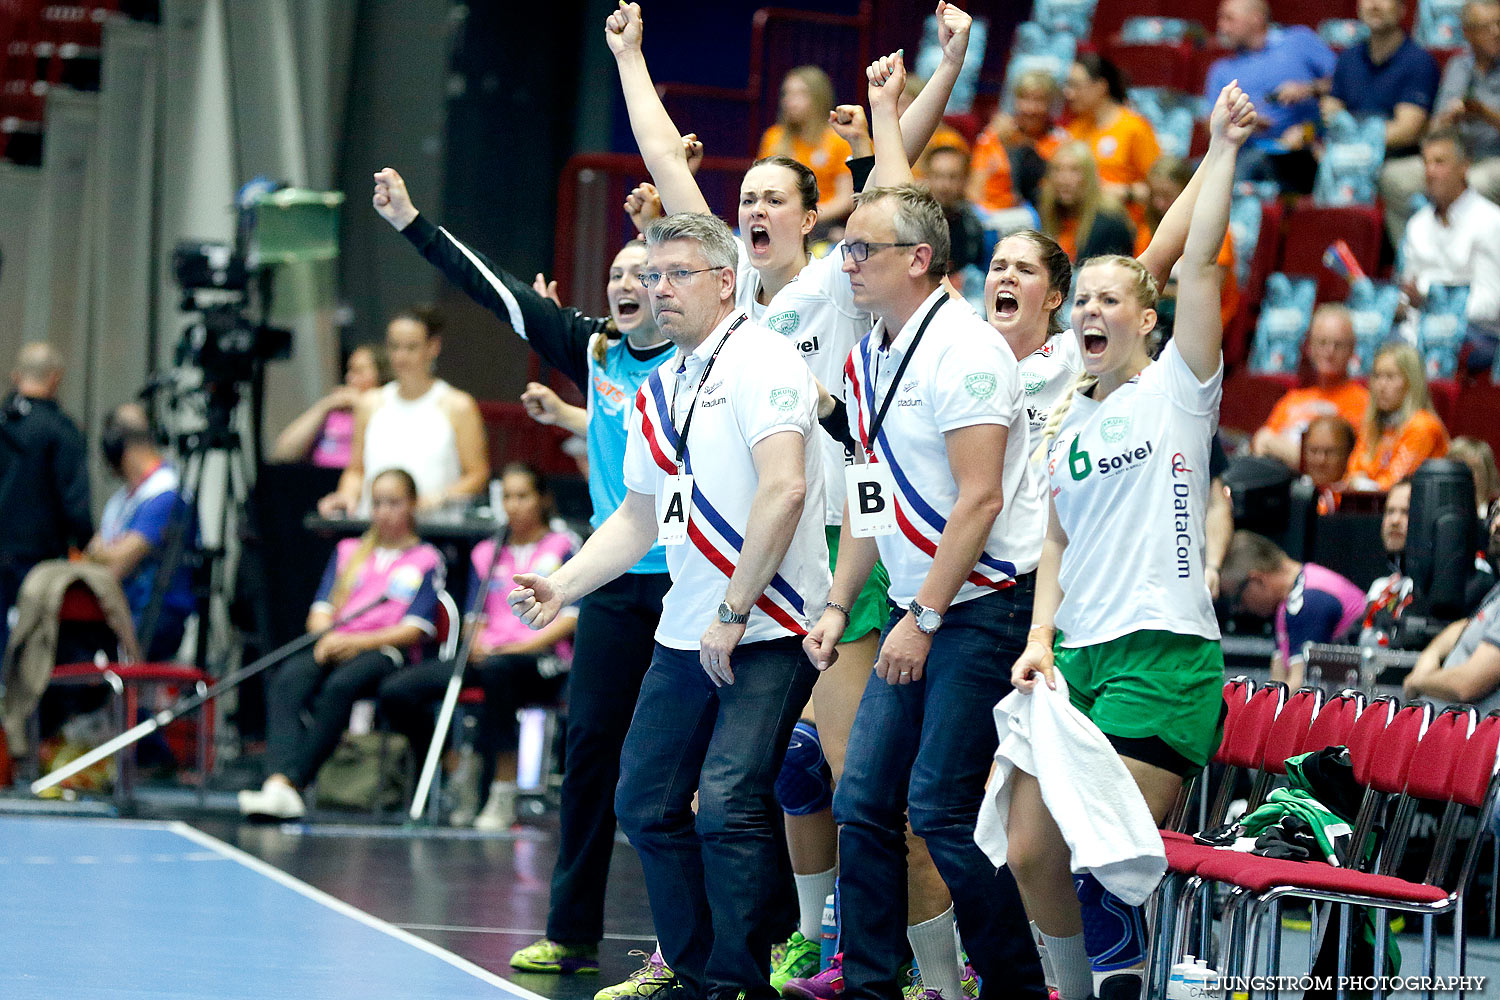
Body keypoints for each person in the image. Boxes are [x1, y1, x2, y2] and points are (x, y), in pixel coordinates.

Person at [608, 7, 977, 992]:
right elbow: (660, 155)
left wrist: (927, 82)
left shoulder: (835, 285)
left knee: (861, 785)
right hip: (751, 572)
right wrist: (633, 57)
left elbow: (898, 191)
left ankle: (935, 968)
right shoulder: (728, 303)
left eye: (776, 194)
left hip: (839, 552)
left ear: (813, 219)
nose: (754, 205)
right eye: (746, 195)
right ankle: (790, 942)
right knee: (774, 784)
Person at [507, 210, 830, 1000]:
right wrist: (564, 584)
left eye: (675, 274)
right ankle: (693, 973)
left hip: (771, 624)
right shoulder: (660, 388)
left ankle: (738, 981)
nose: (656, 289)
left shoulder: (766, 364)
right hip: (687, 630)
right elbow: (636, 517)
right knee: (644, 801)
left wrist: (733, 609)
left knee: (724, 802)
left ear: (726, 283)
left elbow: (786, 487)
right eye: (650, 276)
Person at [372, 167, 674, 978]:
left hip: (696, 583)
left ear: (673, 288)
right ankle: (573, 933)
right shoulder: (594, 349)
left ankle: (705, 949)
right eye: (614, 276)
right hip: (613, 583)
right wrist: (412, 224)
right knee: (590, 757)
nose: (625, 284)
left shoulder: (703, 355)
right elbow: (494, 290)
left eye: (644, 273)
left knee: (685, 775)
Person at [799, 50, 1047, 1000]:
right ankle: (870, 983)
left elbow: (978, 500)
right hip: (913, 603)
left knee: (941, 812)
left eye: (861, 250)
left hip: (978, 610)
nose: (845, 261)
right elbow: (871, 487)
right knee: (862, 800)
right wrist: (838, 600)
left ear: (916, 261)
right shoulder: (870, 356)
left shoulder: (970, 352)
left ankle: (1016, 986)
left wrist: (924, 616)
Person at [1005, 82, 1257, 1000]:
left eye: (1114, 299)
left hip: (1165, 657)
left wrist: (1221, 149)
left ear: (1146, 319)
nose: (1092, 312)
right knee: (1031, 851)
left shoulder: (1179, 394)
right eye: (1085, 303)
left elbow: (1199, 266)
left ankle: (1120, 979)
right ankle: (1077, 990)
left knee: (1102, 865)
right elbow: (1059, 548)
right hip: (1076, 657)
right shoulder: (1066, 423)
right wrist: (1040, 637)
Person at [379, 463, 578, 831]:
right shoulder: (487, 551)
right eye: (507, 497)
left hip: (543, 659)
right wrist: (476, 642)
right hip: (491, 656)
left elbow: (572, 616)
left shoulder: (564, 545)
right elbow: (474, 615)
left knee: (498, 673)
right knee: (398, 690)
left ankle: (503, 787)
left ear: (543, 500)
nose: (513, 505)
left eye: (523, 496)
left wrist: (519, 648)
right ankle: (457, 766)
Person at [239, 468, 444, 820]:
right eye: (377, 503)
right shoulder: (349, 550)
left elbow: (416, 628)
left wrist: (359, 641)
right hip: (337, 644)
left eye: (393, 503)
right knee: (288, 679)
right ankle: (276, 782)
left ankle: (293, 783)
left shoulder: (426, 558)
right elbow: (320, 610)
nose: (383, 512)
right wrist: (329, 636)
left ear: (412, 505)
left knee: (341, 686)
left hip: (384, 651)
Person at [318, 307, 489, 516]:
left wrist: (436, 499)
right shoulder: (370, 403)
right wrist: (345, 496)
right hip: (376, 525)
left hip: (433, 527)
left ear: (433, 347)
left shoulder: (457, 405)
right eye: (394, 347)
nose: (401, 356)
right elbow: (356, 470)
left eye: (411, 347)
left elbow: (477, 475)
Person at [1322, 0, 1440, 242]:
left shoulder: (1418, 61)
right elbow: (1330, 115)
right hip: (1347, 155)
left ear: (1402, 10)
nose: (1374, 5)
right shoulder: (1348, 59)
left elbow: (1407, 130)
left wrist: (1351, 137)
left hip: (1394, 156)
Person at [87, 403, 196, 661]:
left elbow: (119, 562)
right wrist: (106, 553)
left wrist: (104, 552)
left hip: (153, 615)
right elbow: (94, 555)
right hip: (115, 612)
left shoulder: (168, 493)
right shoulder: (121, 501)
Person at [0, 343, 91, 653]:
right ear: (55, 378)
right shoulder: (61, 430)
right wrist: (86, 543)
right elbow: (74, 500)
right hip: (41, 559)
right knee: (37, 644)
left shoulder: (3, 424)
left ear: (15, 377)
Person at [1387, 0, 1500, 235]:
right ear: (1467, 33)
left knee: (1476, 184)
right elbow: (1435, 127)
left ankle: (1468, 261)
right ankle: (1418, 257)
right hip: (1455, 156)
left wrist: (1484, 113)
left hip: (1492, 159)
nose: (1496, 32)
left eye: (1499, 24)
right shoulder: (1458, 66)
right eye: (1486, 27)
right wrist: (1446, 120)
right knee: (1394, 178)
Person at [1397, 129, 1500, 370]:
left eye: (1439, 162)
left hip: (1474, 333)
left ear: (1464, 167)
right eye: (1426, 163)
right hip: (1418, 328)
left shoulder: (1491, 221)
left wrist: (1431, 301)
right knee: (1372, 338)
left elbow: (1493, 302)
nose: (1430, 172)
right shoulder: (1417, 224)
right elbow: (1408, 287)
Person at [1206, 0, 1335, 188]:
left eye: (1229, 18)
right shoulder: (1221, 70)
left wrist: (1310, 89)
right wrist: (1240, 121)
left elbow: (1345, 84)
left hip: (1306, 145)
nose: (1221, 26)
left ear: (1256, 19)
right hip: (1249, 150)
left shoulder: (1299, 41)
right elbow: (1208, 125)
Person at [1221, 530, 1367, 690]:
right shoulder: (1287, 604)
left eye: (1237, 598)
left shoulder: (1309, 599)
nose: (1239, 608)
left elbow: (1299, 689)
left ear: (1257, 580)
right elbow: (1277, 682)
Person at [1250, 304, 1370, 469]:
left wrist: (1279, 448)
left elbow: (1335, 464)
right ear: (1310, 347)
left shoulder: (1363, 402)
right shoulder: (1293, 398)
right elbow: (1260, 442)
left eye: (1338, 344)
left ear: (1352, 350)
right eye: (1322, 342)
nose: (1329, 351)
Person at [1142, 156, 1240, 333]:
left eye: (1167, 196)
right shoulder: (1147, 229)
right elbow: (1140, 285)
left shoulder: (1215, 231)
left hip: (1201, 326)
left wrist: (1162, 292)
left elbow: (1207, 295)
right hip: (1156, 319)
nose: (1159, 204)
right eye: (1154, 195)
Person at [1061, 54, 1162, 221]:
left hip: (1124, 224)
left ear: (1101, 87)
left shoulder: (1134, 127)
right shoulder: (1075, 129)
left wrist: (1122, 192)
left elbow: (1158, 190)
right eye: (1068, 85)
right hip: (1080, 223)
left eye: (1075, 85)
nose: (1068, 93)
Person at [1345, 341, 1450, 491]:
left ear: (1411, 382)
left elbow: (1394, 485)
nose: (1381, 385)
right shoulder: (1372, 425)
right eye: (1377, 376)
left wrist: (1361, 483)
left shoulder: (1422, 426)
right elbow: (1352, 475)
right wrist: (1359, 482)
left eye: (1390, 377)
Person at [759, 66, 856, 227]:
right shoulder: (773, 137)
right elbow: (760, 187)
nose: (790, 101)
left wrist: (804, 216)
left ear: (819, 98)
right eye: (787, 93)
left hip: (823, 222)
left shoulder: (839, 140)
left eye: (800, 94)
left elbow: (845, 200)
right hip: (777, 219)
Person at [271, 344, 388, 467]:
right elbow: (283, 453)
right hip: (317, 478)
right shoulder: (332, 410)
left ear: (381, 374)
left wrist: (361, 404)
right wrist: (324, 406)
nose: (349, 377)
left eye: (358, 371)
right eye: (349, 370)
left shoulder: (385, 409)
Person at [969, 70, 1063, 214]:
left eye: (1039, 100)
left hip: (1040, 217)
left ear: (1050, 104)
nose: (1030, 109)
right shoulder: (994, 137)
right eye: (1024, 99)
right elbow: (974, 192)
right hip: (992, 217)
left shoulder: (1060, 142)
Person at [1038, 141, 1140, 262]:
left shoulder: (1110, 223)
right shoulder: (1046, 215)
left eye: (1074, 170)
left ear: (1089, 177)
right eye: (1058, 170)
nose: (1064, 179)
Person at [922, 145, 987, 275]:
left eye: (953, 177)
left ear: (965, 179)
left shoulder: (973, 225)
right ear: (926, 177)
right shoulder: (913, 223)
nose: (944, 186)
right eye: (938, 176)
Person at [1299, 414, 1358, 513]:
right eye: (1313, 451)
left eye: (1330, 452)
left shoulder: (1361, 497)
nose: (1320, 460)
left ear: (1348, 453)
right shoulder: (1290, 495)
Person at [1450, 436, 1500, 520]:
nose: (1465, 475)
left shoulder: (1496, 510)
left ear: (1487, 474)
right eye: (1459, 467)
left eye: (1473, 468)